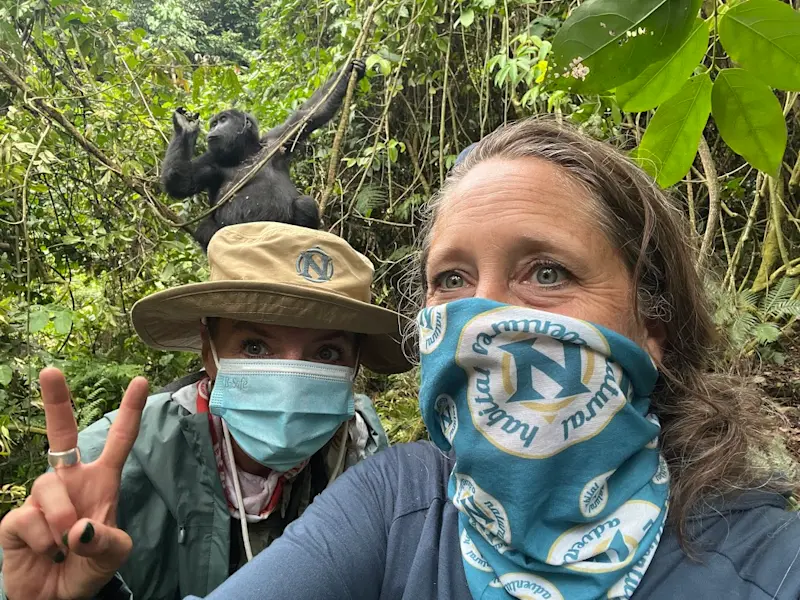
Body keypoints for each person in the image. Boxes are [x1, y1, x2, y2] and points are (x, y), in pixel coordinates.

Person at [182, 119, 800, 600]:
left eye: (548, 272)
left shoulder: (768, 560)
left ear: (653, 328)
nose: (481, 320)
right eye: (452, 278)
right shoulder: (399, 504)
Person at [0, 221, 411, 600]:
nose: (289, 379)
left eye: (327, 352)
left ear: (355, 364)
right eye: (254, 346)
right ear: (208, 350)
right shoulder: (111, 464)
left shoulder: (363, 455)